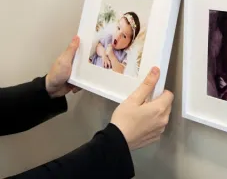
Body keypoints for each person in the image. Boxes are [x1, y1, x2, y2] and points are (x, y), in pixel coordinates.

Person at [1, 36, 174, 178]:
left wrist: (45, 89)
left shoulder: (125, 55)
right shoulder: (106, 40)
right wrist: (113, 145)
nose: (118, 35)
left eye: (124, 35)